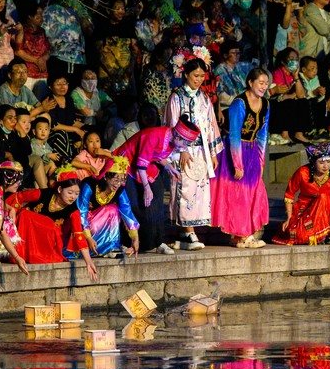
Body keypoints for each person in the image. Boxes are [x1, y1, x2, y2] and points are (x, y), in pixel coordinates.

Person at [114, 116, 200, 254]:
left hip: (146, 166)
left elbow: (158, 156)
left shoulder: (171, 139)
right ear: (177, 136)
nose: (184, 147)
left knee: (157, 199)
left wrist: (170, 168)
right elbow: (141, 164)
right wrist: (146, 188)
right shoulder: (154, 135)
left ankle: (157, 242)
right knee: (134, 203)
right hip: (126, 165)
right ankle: (129, 242)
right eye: (185, 142)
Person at [164, 57, 222, 250]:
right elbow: (172, 125)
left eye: (202, 76)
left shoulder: (204, 98)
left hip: (201, 150)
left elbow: (211, 124)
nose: (198, 79)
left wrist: (212, 153)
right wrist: (181, 150)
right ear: (186, 74)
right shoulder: (176, 97)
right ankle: (189, 233)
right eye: (195, 75)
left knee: (199, 191)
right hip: (184, 151)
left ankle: (185, 232)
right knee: (185, 189)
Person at [210, 67, 270, 248]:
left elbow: (263, 134)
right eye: (261, 83)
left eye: (266, 83)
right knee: (239, 195)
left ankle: (243, 235)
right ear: (250, 83)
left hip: (252, 151)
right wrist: (237, 164)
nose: (264, 86)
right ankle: (243, 235)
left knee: (254, 192)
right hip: (235, 151)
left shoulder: (266, 104)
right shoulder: (239, 103)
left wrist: (260, 161)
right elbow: (234, 135)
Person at [5, 168, 99, 279]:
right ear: (59, 189)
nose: (73, 197)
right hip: (26, 230)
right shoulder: (42, 193)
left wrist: (88, 261)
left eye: (77, 194)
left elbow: (79, 235)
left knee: (50, 225)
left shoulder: (74, 211)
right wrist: (12, 209)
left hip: (48, 242)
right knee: (25, 214)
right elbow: (19, 196)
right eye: (70, 192)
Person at [272, 142, 330, 246]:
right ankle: (319, 236)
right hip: (305, 208)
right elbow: (289, 195)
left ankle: (325, 235)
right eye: (321, 162)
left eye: (328, 162)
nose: (326, 166)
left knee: (323, 198)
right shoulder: (302, 172)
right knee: (297, 234)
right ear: (313, 162)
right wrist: (289, 218)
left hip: (329, 210)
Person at [76, 156, 140, 258]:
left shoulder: (120, 189)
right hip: (82, 225)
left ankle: (111, 247)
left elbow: (127, 211)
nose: (118, 184)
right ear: (106, 176)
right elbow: (81, 212)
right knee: (110, 210)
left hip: (99, 225)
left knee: (113, 209)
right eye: (116, 179)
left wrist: (135, 238)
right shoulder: (89, 185)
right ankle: (95, 247)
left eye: (122, 180)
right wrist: (88, 238)